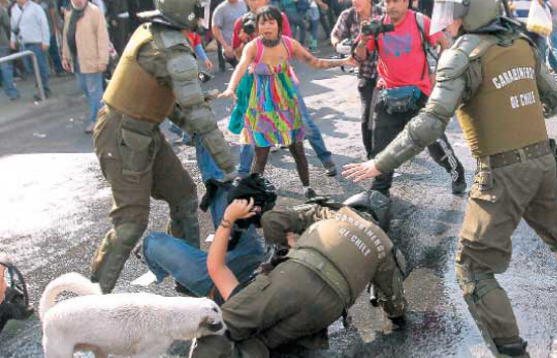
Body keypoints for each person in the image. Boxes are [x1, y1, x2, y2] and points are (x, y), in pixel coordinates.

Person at [343, 0, 557, 356]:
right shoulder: (520, 43)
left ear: (466, 12)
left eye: (452, 13)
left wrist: (380, 162)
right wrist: (517, 107)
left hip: (501, 172)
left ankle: (511, 351)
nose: (447, 23)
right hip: (542, 161)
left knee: (472, 269)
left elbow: (430, 122)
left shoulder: (462, 56)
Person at [90, 0, 237, 293]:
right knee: (131, 221)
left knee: (182, 195)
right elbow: (199, 116)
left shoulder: (150, 31)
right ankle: (90, 298)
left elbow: (167, 100)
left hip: (142, 130)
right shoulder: (170, 47)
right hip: (123, 135)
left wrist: (193, 124)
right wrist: (231, 168)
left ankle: (188, 275)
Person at [190, 190, 407, 357]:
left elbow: (272, 220)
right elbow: (394, 301)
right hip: (329, 308)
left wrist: (284, 250)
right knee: (261, 344)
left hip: (294, 278)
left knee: (219, 328)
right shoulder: (384, 247)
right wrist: (397, 318)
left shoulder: (332, 212)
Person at [218, 6, 352, 199]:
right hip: (262, 104)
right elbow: (241, 67)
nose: (267, 26)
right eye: (263, 22)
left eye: (271, 22)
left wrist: (344, 61)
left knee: (296, 147)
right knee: (262, 152)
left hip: (286, 101)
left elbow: (314, 62)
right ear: (257, 27)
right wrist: (231, 87)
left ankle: (307, 188)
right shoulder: (253, 46)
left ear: (279, 26)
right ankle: (256, 193)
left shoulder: (289, 44)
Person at [353, 0, 466, 196]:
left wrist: (438, 72)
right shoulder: (377, 25)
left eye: (396, 1)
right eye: (388, 2)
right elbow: (360, 57)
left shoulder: (421, 22)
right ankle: (380, 192)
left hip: (419, 94)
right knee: (381, 149)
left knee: (436, 144)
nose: (392, 6)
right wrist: (363, 40)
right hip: (387, 94)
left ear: (406, 2)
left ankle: (457, 174)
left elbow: (445, 44)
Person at [143, 174, 273, 300]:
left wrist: (229, 219)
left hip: (218, 283)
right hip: (253, 259)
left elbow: (216, 267)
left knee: (152, 241)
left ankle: (180, 279)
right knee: (224, 188)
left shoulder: (248, 307)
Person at [331, 0, 385, 158]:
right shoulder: (348, 16)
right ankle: (372, 155)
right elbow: (335, 35)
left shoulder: (384, 12)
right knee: (367, 116)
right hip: (366, 73)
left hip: (390, 74)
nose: (356, 1)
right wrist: (338, 45)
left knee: (391, 114)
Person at [61, 0, 109, 134]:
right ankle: (105, 111)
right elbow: (66, 35)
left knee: (94, 91)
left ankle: (97, 121)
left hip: (92, 59)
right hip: (77, 60)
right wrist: (65, 56)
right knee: (84, 87)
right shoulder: (69, 12)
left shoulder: (94, 12)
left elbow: (102, 37)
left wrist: (103, 59)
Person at [10, 0, 51, 100]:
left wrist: (45, 41)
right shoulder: (14, 9)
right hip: (23, 44)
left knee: (41, 68)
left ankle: (44, 89)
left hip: (36, 42)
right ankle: (39, 87)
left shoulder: (36, 8)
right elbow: (14, 27)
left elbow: (44, 24)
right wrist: (12, 40)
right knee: (30, 69)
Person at [211, 0, 246, 70]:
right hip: (231, 48)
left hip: (245, 44)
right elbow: (215, 28)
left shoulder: (244, 3)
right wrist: (225, 46)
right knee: (242, 71)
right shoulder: (220, 9)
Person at [0, 2, 20, 100]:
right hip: (2, 41)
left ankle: (8, 89)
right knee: (6, 67)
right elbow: (7, 24)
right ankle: (12, 92)